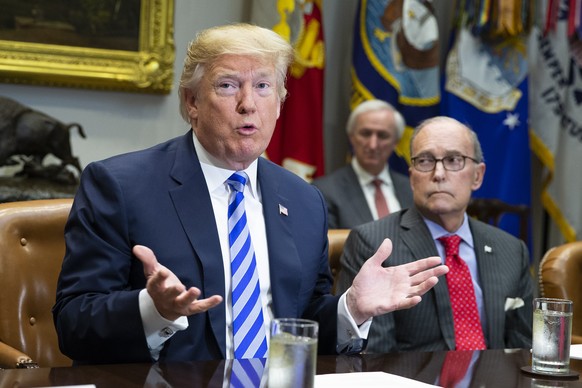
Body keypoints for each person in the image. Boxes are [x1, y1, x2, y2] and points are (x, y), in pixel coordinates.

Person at [52, 23, 448, 364]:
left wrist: (351, 309)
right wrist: (152, 310)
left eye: (262, 87)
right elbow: (73, 324)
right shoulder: (119, 185)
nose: (248, 105)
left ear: (279, 104)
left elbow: (304, 320)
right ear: (191, 102)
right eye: (228, 86)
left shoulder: (304, 200)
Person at [336, 116, 533, 353]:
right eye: (425, 161)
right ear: (412, 177)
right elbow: (374, 358)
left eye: (453, 160)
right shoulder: (375, 244)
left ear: (477, 176)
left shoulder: (511, 250)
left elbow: (524, 351)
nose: (438, 174)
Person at [312, 99, 412, 229]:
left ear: (396, 142)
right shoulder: (324, 192)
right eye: (365, 134)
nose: (373, 145)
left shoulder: (411, 189)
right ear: (351, 137)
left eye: (382, 135)